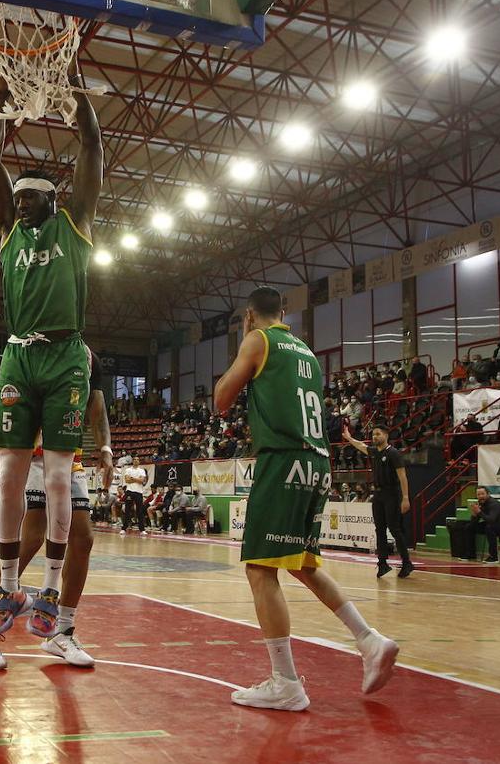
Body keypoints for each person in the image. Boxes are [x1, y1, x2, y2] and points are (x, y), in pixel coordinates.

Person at [214, 286, 398, 711]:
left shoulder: (259, 339)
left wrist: (244, 341)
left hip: (284, 461)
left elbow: (221, 399)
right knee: (305, 564)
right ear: (284, 312)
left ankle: (286, 682)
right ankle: (370, 640)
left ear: (249, 315)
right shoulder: (307, 352)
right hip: (318, 463)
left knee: (260, 571)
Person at [0, 62, 102, 640]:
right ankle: (8, 585)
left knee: (56, 480)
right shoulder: (10, 233)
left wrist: (76, 94)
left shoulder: (74, 226)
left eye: (31, 197)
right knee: (8, 475)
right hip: (18, 356)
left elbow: (92, 148)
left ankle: (50, 588)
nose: (20, 204)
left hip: (65, 355)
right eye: (18, 198)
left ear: (53, 200)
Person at [0, 345, 114, 669]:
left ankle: (61, 630)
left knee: (83, 538)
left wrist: (105, 447)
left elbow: (96, 406)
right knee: (30, 540)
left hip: (67, 455)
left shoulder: (87, 355)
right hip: (33, 455)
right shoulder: (31, 348)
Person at [343, 424, 415, 578]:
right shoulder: (375, 452)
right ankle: (382, 563)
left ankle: (407, 562)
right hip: (378, 495)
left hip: (392, 494)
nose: (374, 436)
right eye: (373, 434)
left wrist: (405, 498)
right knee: (379, 530)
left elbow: (403, 476)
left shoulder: (393, 453)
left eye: (378, 434)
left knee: (395, 529)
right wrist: (349, 438)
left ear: (386, 435)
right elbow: (361, 446)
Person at [469, 486, 500, 563]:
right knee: (469, 527)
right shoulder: (480, 504)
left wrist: (479, 512)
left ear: (488, 494)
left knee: (489, 528)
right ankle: (469, 554)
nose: (480, 496)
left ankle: (493, 557)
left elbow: (491, 520)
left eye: (482, 494)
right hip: (491, 524)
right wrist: (474, 514)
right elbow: (475, 522)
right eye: (478, 495)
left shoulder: (494, 504)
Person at [120, 456, 149, 535]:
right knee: (127, 511)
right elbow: (127, 480)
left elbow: (142, 481)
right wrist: (137, 479)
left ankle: (142, 529)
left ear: (139, 461)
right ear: (132, 461)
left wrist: (132, 478)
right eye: (134, 459)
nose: (136, 461)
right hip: (130, 491)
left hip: (139, 492)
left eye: (137, 459)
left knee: (140, 511)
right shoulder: (128, 470)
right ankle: (124, 528)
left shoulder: (142, 470)